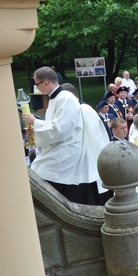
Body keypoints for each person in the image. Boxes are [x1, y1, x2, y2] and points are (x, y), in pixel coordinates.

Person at [23, 67, 104, 205]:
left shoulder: (66, 98)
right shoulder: (56, 99)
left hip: (68, 148)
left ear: (46, 83)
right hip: (60, 144)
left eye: (37, 85)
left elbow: (61, 129)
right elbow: (53, 124)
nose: (36, 89)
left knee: (40, 170)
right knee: (37, 168)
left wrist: (35, 122)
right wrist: (36, 130)